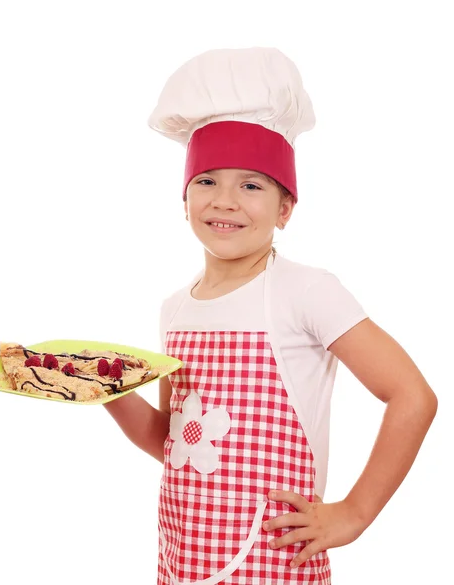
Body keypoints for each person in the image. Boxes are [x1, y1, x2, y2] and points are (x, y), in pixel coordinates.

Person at [104, 47, 438, 585]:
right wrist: (105, 389)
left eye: (251, 185)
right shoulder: (175, 308)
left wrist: (353, 514)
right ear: (183, 198)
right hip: (184, 559)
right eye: (207, 181)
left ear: (286, 208)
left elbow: (412, 396)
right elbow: (172, 440)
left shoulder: (307, 291)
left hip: (275, 562)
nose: (225, 200)